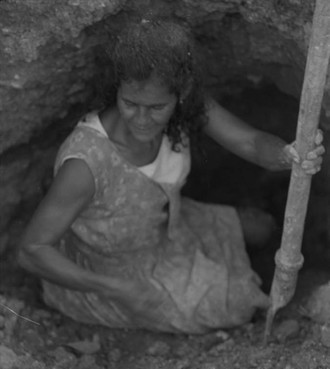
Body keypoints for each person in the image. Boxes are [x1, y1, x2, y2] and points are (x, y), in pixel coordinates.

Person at [18, 17, 324, 335]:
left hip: (167, 222)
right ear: (117, 89)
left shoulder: (188, 106)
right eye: (130, 103)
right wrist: (115, 288)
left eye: (156, 107)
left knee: (261, 227)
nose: (141, 118)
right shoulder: (86, 164)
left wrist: (287, 155)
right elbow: (32, 250)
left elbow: (248, 141)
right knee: (242, 304)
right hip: (115, 270)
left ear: (182, 93)